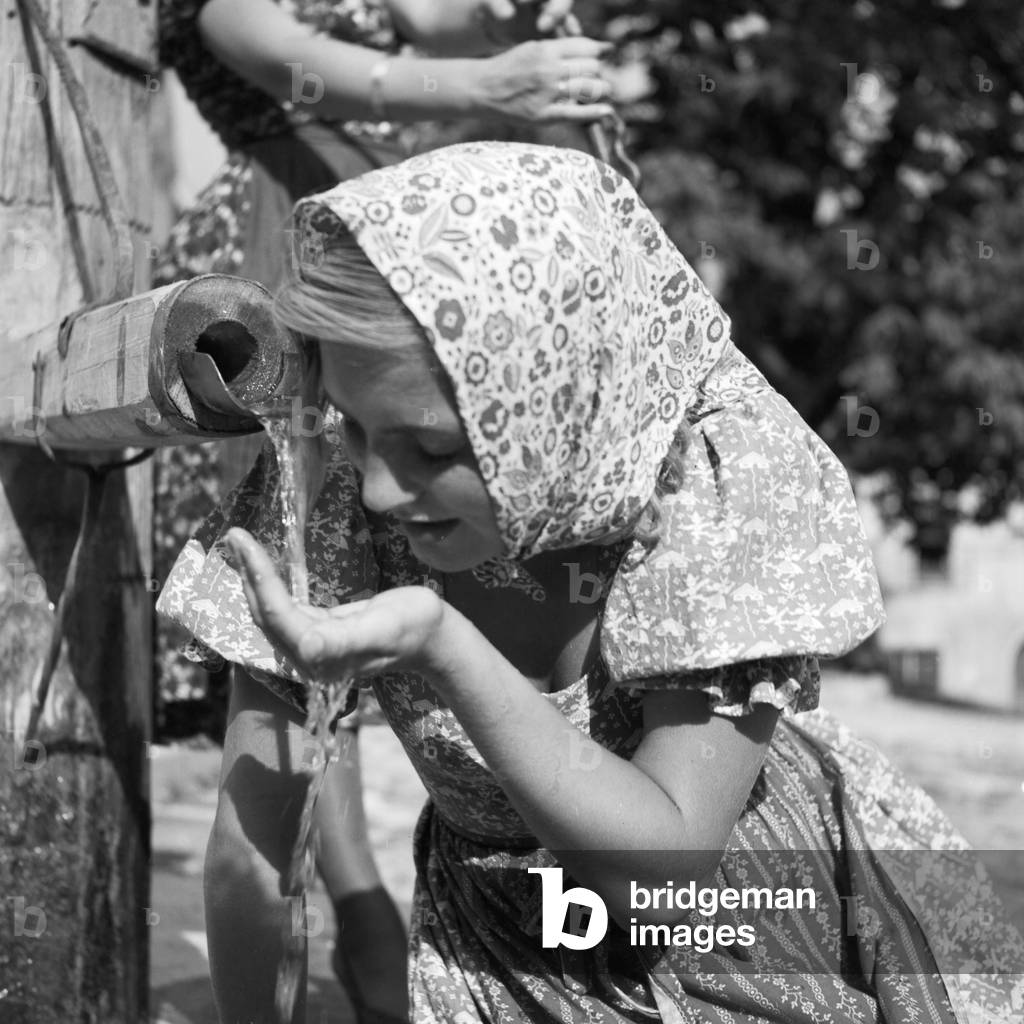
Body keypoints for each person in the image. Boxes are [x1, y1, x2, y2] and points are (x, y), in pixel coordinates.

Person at [156, 142, 1024, 1023]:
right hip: (501, 938)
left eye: (434, 448)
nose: (380, 486)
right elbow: (253, 845)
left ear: (551, 404)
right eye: (357, 429)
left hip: (754, 911)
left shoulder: (706, 478)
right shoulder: (329, 485)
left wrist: (443, 645)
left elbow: (668, 871)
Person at [152, 2, 615, 1019]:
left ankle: (372, 932)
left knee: (360, 638)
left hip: (400, 234)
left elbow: (449, 28)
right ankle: (354, 939)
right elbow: (291, 58)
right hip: (291, 232)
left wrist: (513, 37)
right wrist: (497, 85)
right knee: (300, 642)